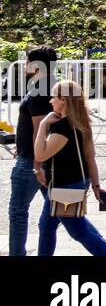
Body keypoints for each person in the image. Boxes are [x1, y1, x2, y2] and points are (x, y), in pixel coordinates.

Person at [34, 80, 106, 256]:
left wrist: (43, 125)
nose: (51, 101)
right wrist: (95, 186)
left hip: (65, 186)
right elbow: (90, 158)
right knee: (46, 226)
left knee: (79, 231)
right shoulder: (81, 123)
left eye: (54, 97)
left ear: (63, 100)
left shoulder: (63, 127)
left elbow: (40, 155)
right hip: (77, 181)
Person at [8, 46, 57, 256]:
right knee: (62, 209)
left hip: (32, 161)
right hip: (43, 157)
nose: (26, 65)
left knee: (18, 211)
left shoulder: (39, 89)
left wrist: (37, 161)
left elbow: (40, 127)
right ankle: (97, 241)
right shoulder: (54, 85)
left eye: (28, 61)